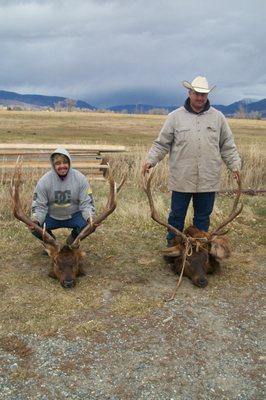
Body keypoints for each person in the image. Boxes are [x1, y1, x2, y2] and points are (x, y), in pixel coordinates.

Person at [142, 76, 241, 246]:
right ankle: (173, 250)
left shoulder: (218, 118)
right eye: (197, 94)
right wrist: (150, 160)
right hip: (182, 178)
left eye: (204, 95)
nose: (200, 98)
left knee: (202, 218)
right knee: (176, 216)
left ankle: (199, 250)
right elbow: (162, 143)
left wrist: (235, 166)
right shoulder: (175, 117)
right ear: (189, 93)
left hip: (208, 180)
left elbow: (228, 145)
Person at [31, 147, 95, 245]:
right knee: (34, 228)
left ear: (69, 163)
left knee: (90, 225)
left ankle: (73, 240)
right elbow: (39, 206)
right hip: (52, 217)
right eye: (58, 163)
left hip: (74, 216)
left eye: (65, 162)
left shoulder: (80, 179)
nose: (62, 166)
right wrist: (36, 220)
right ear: (53, 165)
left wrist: (90, 217)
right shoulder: (44, 181)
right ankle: (52, 243)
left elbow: (86, 203)